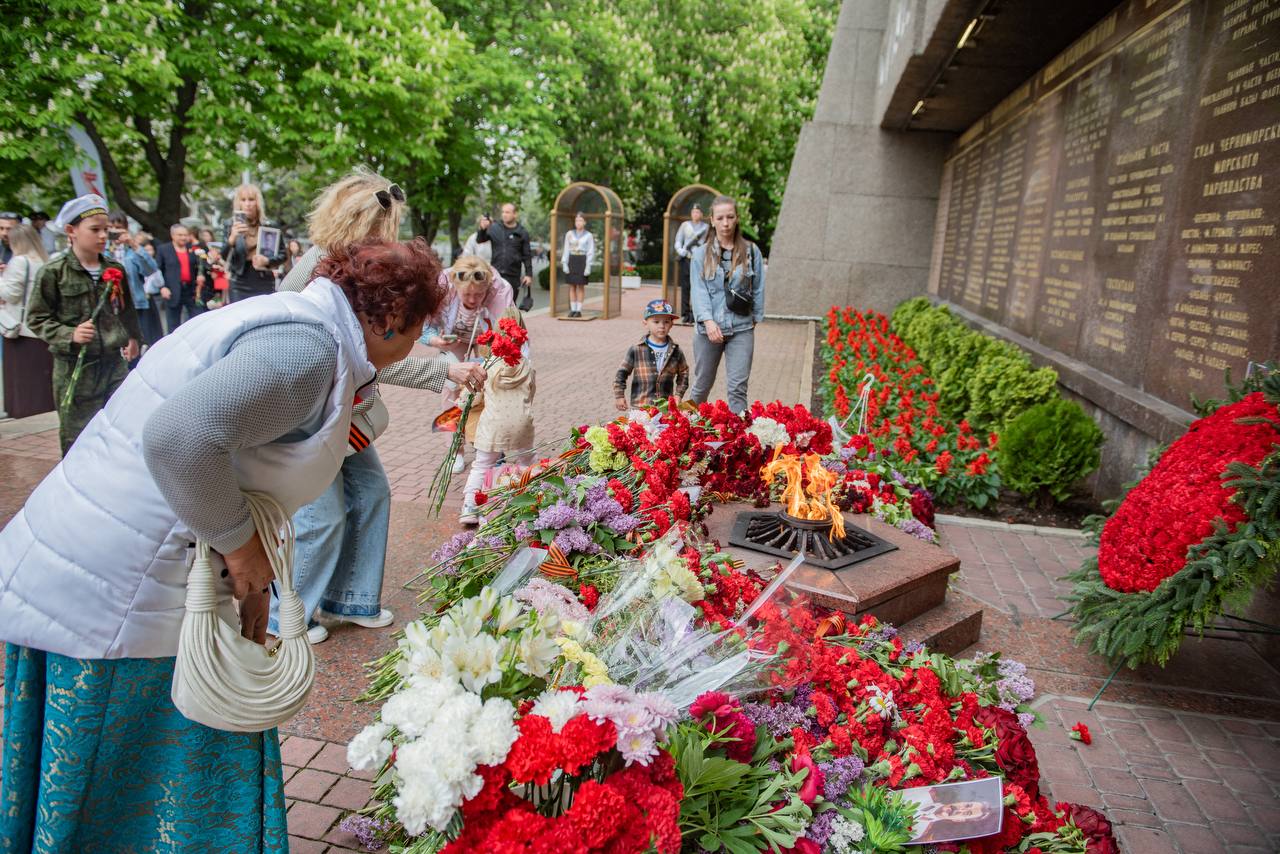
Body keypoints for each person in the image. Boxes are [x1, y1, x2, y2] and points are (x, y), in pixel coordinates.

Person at [0, 237, 443, 851]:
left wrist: (249, 570)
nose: (414, 345)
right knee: (128, 796)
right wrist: (242, 551)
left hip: (105, 570)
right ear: (391, 317)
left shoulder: (302, 326)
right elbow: (180, 440)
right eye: (416, 329)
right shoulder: (308, 348)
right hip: (117, 596)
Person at [276, 168, 487, 644]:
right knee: (319, 515)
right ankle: (286, 616)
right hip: (314, 411)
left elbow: (374, 349)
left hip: (348, 408)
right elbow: (364, 351)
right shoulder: (318, 269)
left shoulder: (365, 267)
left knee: (372, 493)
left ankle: (351, 597)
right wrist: (442, 371)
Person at [26, 194, 141, 455]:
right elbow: (36, 318)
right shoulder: (54, 271)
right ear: (71, 231)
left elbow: (126, 310)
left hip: (113, 364)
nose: (103, 236)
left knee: (120, 429)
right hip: (75, 369)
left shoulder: (114, 269)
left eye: (106, 230)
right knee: (78, 438)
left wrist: (133, 338)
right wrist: (69, 334)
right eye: (95, 230)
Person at [689, 195, 765, 415]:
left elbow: (758, 287)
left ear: (737, 218)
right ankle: (688, 431)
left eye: (730, 217)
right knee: (702, 385)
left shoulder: (751, 251)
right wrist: (709, 321)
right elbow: (698, 290)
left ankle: (738, 439)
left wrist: (754, 320)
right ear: (711, 220)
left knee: (738, 389)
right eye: (720, 218)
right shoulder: (700, 254)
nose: (725, 223)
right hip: (708, 330)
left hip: (741, 329)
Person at [461, 308, 534, 525]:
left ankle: (470, 507)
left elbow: (472, 397)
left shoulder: (488, 366)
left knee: (482, 465)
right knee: (527, 461)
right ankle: (530, 498)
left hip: (493, 425)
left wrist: (462, 406)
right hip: (521, 423)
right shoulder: (527, 366)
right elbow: (531, 394)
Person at [0, 224, 54, 418]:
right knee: (38, 377)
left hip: (20, 328)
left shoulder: (20, 261)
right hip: (40, 327)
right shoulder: (44, 261)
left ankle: (20, 411)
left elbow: (10, 294)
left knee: (20, 377)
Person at [614, 299, 688, 412]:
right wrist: (619, 395)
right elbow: (621, 373)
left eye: (666, 322)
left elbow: (684, 373)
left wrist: (678, 395)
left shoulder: (676, 351)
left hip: (665, 408)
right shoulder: (636, 349)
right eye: (656, 322)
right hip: (640, 407)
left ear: (672, 324)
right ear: (645, 323)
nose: (662, 326)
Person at [106, 213, 165, 349]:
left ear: (126, 229)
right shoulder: (103, 250)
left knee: (136, 344)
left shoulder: (132, 251)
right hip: (111, 305)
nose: (114, 231)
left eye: (118, 227)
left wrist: (134, 244)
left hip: (134, 303)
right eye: (110, 227)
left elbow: (151, 269)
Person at [225, 183, 285, 303]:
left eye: (251, 199)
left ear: (258, 202)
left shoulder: (270, 225)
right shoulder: (230, 224)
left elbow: (283, 255)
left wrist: (267, 261)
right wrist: (232, 238)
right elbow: (222, 254)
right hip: (239, 281)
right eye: (243, 200)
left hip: (263, 279)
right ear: (238, 203)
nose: (247, 204)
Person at [474, 203, 533, 308]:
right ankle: (495, 324)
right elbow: (480, 240)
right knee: (493, 305)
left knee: (509, 306)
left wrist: (529, 274)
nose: (504, 215)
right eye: (503, 212)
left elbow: (527, 255)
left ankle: (508, 324)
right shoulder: (495, 228)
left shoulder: (522, 232)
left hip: (513, 276)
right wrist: (482, 229)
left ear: (515, 214)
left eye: (507, 212)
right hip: (495, 274)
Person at [155, 223, 205, 331]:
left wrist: (201, 274)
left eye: (185, 235)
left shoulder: (192, 249)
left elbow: (199, 266)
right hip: (172, 290)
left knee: (197, 320)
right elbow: (157, 270)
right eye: (180, 235)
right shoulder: (163, 249)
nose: (183, 238)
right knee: (173, 324)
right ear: (172, 235)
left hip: (191, 290)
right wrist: (162, 287)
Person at [674, 203, 708, 324]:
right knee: (686, 287)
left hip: (699, 259)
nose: (695, 214)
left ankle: (696, 313)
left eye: (698, 212)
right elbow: (678, 240)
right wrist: (680, 250)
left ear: (702, 214)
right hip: (687, 258)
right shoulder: (685, 225)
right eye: (694, 212)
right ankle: (685, 314)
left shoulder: (706, 227)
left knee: (698, 287)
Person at [561, 211, 594, 318]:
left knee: (580, 286)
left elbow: (590, 251)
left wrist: (588, 266)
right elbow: (566, 248)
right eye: (576, 220)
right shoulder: (569, 234)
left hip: (582, 260)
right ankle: (573, 309)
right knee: (572, 286)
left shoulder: (589, 235)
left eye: (580, 220)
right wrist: (565, 263)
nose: (578, 222)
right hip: (572, 259)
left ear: (584, 222)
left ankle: (579, 310)